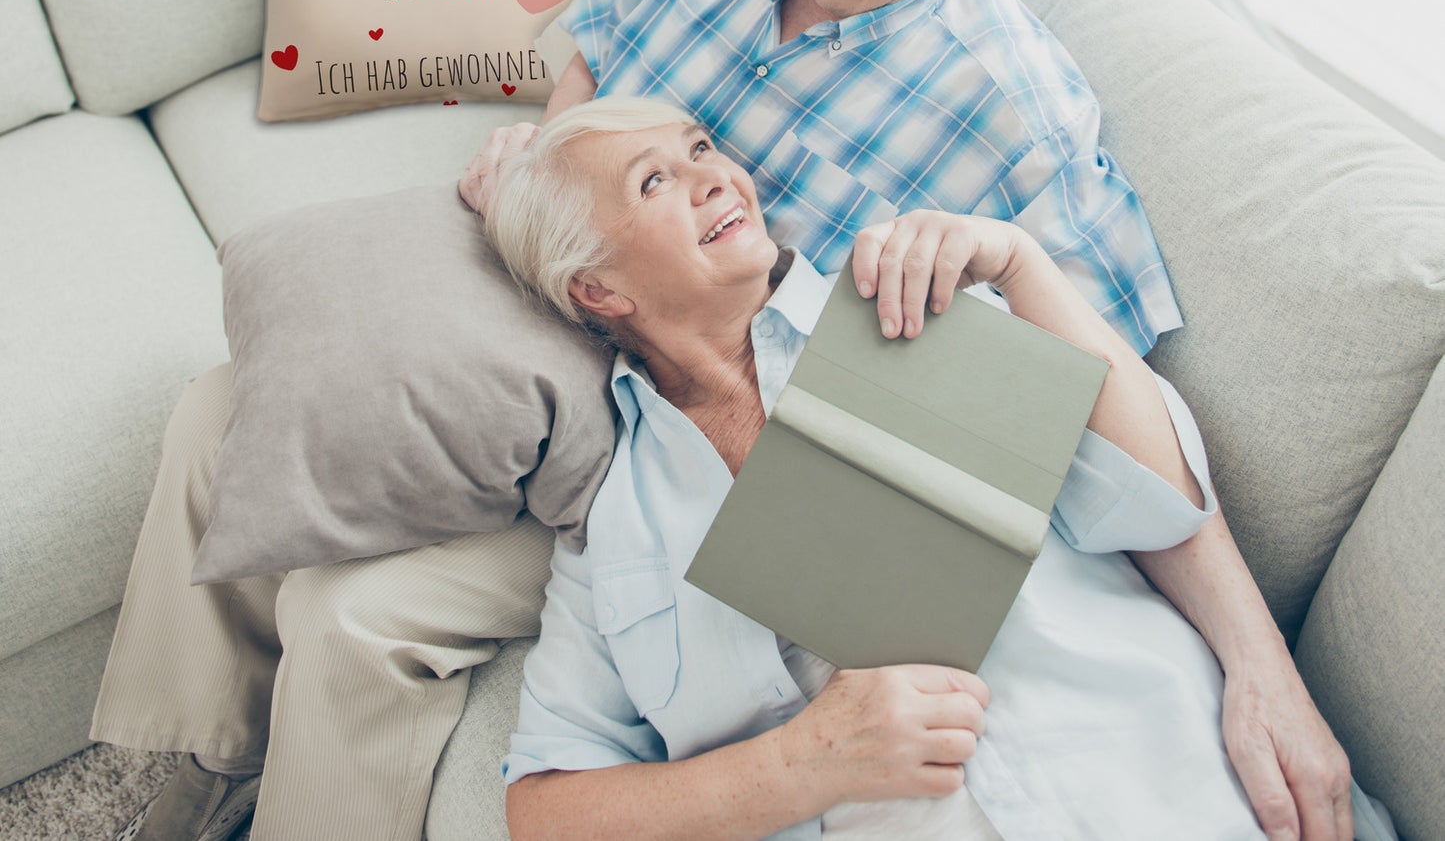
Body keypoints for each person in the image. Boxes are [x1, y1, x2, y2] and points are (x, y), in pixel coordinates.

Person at [94, 0, 1348, 841]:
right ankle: (193, 759)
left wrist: (1260, 662)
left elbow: (1103, 416)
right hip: (582, 284)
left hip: (694, 409)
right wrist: (547, 158)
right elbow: (592, 60)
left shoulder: (1016, 120)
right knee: (229, 404)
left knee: (354, 614)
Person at [486, 97, 1383, 841]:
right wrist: (803, 763)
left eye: (700, 148)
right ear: (597, 289)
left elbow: (1158, 502)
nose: (715, 175)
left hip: (1173, 786)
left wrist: (1021, 264)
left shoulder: (909, 303)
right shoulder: (614, 528)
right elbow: (545, 808)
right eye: (655, 180)